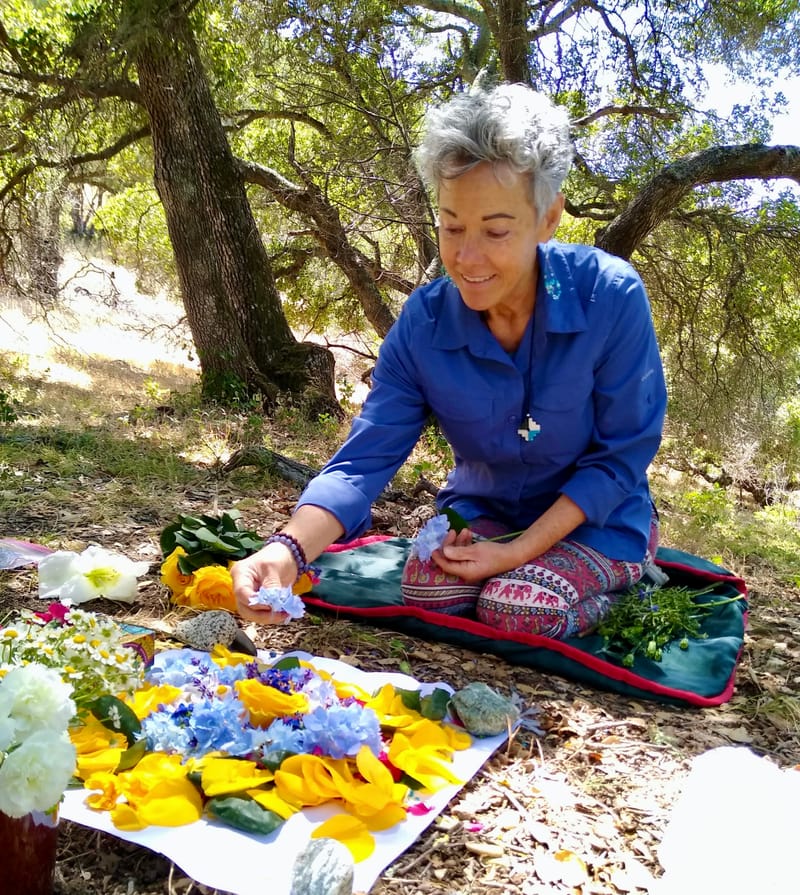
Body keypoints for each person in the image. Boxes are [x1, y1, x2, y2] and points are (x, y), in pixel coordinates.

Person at [232, 83, 667, 639]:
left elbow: (621, 455)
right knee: (427, 591)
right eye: (452, 225)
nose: (466, 257)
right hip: (483, 511)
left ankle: (631, 580)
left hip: (595, 519)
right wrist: (286, 551)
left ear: (548, 218)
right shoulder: (425, 321)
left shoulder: (610, 297)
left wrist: (515, 556)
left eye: (496, 231)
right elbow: (364, 458)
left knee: (520, 608)